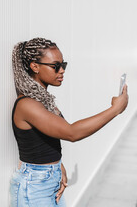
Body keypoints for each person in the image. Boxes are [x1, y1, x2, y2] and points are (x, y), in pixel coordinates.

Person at [9, 37, 128, 207]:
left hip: (47, 180)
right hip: (34, 187)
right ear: (34, 66)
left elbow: (45, 138)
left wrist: (58, 165)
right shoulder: (28, 105)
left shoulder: (42, 99)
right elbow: (71, 132)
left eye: (63, 65)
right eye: (55, 66)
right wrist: (115, 110)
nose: (62, 70)